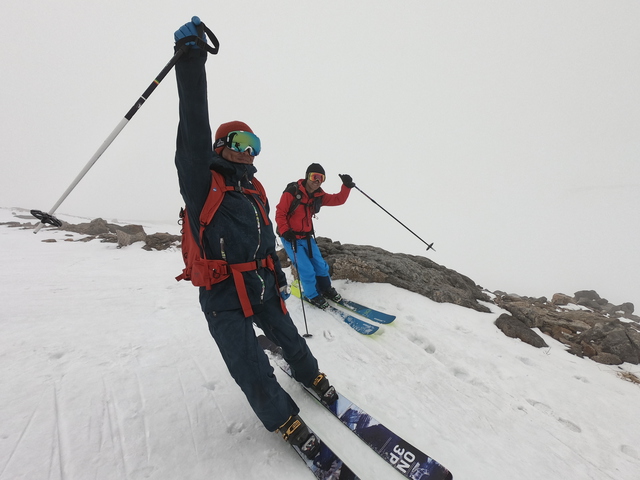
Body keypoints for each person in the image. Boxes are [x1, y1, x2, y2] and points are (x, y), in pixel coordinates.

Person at [173, 17, 336, 459]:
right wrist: (191, 64)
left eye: (254, 144)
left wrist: (279, 276)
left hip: (263, 284)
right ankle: (282, 416)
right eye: (239, 142)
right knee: (249, 363)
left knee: (291, 339)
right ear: (222, 144)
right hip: (224, 293)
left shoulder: (254, 188)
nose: (248, 151)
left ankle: (312, 376)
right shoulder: (202, 181)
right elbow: (193, 129)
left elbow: (265, 236)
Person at [275, 163, 355, 309]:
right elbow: (280, 212)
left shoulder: (318, 196)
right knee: (306, 269)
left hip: (306, 237)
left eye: (321, 178)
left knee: (321, 265)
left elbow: (338, 200)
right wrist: (285, 231)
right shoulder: (292, 192)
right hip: (290, 237)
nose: (317, 181)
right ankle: (312, 295)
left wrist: (346, 187)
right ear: (307, 176)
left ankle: (325, 288)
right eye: (314, 176)